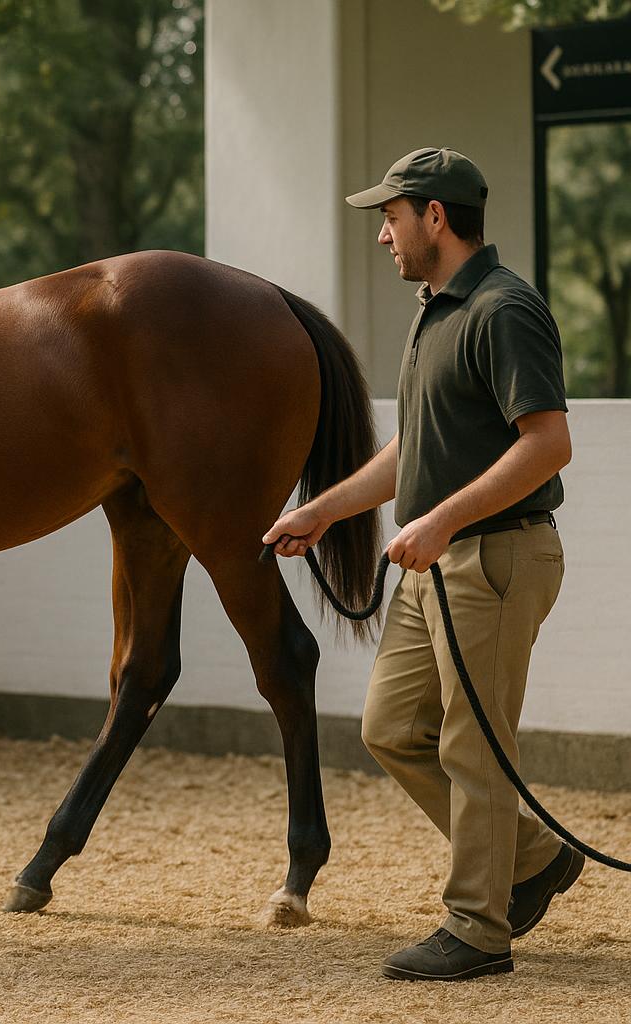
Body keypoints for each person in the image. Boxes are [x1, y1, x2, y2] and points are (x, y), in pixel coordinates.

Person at [264, 148, 580, 982]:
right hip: (436, 562)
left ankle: (478, 928)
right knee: (392, 727)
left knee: (475, 748)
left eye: (391, 217)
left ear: (434, 217)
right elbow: (416, 447)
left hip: (495, 557)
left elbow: (549, 444)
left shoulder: (506, 310)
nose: (383, 236)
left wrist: (440, 520)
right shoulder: (434, 310)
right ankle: (534, 858)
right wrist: (324, 508)